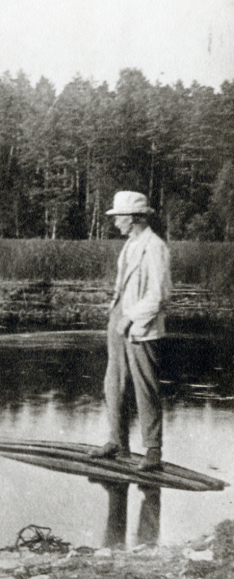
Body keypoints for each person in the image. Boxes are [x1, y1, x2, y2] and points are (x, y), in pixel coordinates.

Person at [90, 190, 172, 471]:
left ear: (134, 218)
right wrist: (116, 314)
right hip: (120, 321)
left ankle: (152, 450)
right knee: (113, 383)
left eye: (119, 217)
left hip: (141, 327)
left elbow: (160, 294)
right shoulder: (131, 244)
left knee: (145, 387)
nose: (115, 223)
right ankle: (117, 441)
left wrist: (130, 318)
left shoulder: (155, 246)